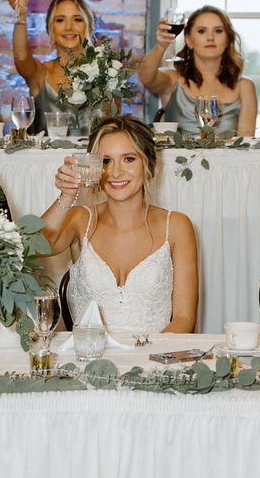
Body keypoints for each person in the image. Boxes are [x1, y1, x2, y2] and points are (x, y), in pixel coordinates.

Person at [41, 115, 198, 333]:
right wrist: (66, 195)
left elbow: (184, 319)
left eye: (129, 159)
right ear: (93, 166)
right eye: (106, 161)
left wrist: (144, 358)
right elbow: (30, 247)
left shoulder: (177, 226)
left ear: (148, 163)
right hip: (87, 360)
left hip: (154, 360)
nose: (115, 172)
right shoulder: (79, 219)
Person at [3, 0, 114, 134]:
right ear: (50, 29)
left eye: (77, 19)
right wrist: (20, 15)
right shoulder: (40, 73)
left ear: (90, 27)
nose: (69, 27)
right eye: (60, 20)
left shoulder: (107, 73)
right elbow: (21, 57)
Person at [139, 5, 257, 136]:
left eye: (218, 31)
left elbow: (246, 144)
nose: (210, 37)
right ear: (189, 40)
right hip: (177, 157)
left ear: (228, 40)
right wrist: (161, 46)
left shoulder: (245, 86)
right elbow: (146, 77)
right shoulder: (172, 79)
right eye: (202, 31)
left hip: (230, 157)